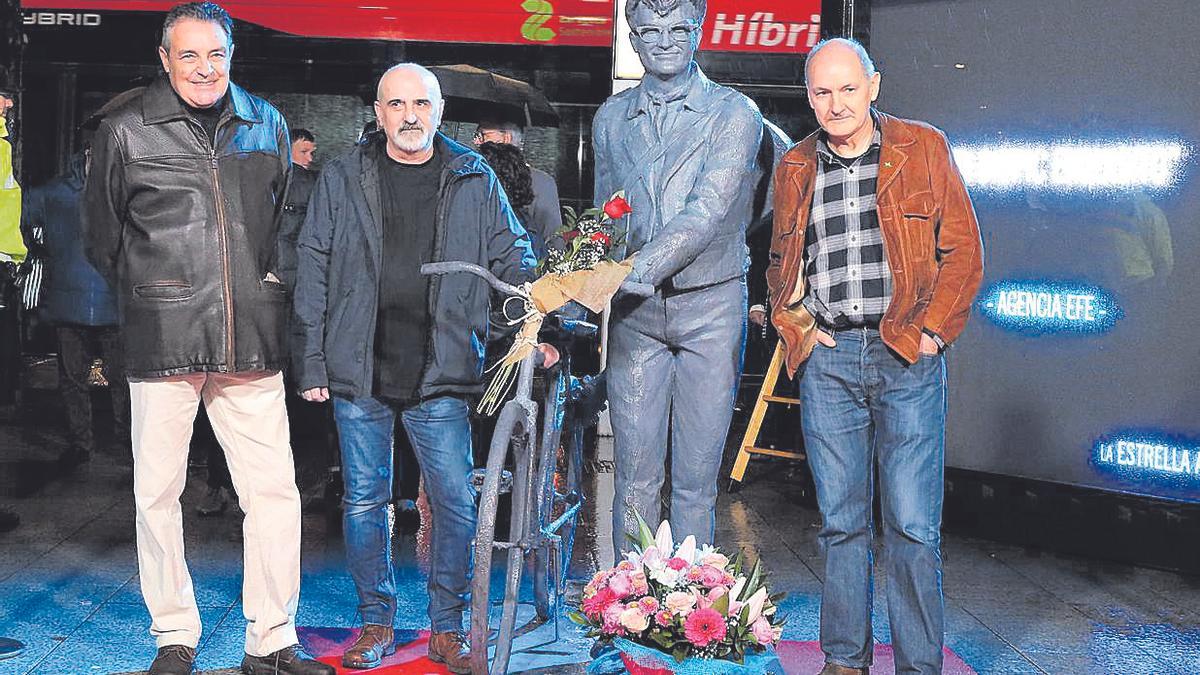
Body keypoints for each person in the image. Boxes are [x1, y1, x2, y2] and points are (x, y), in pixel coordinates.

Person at [82, 3, 332, 674]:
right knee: (156, 495)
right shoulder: (125, 129)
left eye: (214, 53)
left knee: (275, 492)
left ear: (231, 55)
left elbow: (286, 226)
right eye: (187, 54)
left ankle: (271, 639)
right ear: (164, 59)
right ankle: (173, 632)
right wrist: (151, 295)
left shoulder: (267, 123)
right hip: (162, 335)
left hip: (252, 334)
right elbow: (101, 239)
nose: (203, 67)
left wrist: (269, 286)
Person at [292, 63, 545, 672]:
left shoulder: (473, 173)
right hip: (360, 366)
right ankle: (376, 621)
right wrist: (312, 359)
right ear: (378, 114)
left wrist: (540, 315)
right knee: (363, 501)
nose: (409, 116)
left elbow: (512, 256)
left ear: (438, 111)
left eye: (421, 104)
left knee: (456, 502)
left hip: (443, 367)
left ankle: (447, 626)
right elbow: (314, 264)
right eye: (396, 104)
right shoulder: (344, 174)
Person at [766, 38, 984, 675]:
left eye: (847, 90)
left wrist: (933, 336)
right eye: (821, 92)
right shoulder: (795, 165)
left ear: (874, 87)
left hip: (905, 357)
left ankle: (918, 665)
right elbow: (781, 261)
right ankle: (843, 660)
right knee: (841, 526)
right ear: (809, 96)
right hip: (829, 361)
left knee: (913, 528)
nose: (835, 105)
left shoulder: (924, 148)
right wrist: (796, 327)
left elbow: (963, 254)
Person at [592, 0, 763, 554]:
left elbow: (708, 210)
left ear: (698, 30)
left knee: (694, 482)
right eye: (649, 30)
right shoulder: (611, 119)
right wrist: (580, 274)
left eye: (677, 28)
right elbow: (604, 217)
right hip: (635, 319)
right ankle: (622, 610)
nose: (664, 41)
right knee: (635, 478)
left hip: (710, 309)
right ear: (633, 39)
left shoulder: (734, 113)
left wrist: (625, 275)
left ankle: (689, 616)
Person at [24, 149, 130, 467]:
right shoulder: (124, 193)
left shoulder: (54, 192)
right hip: (115, 300)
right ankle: (127, 442)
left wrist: (40, 250)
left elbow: (20, 220)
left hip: (66, 298)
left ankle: (81, 442)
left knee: (73, 378)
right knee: (122, 378)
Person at [473, 118, 561, 248]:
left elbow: (554, 239)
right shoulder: (472, 177)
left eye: (482, 135)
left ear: (506, 138)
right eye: (476, 135)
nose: (475, 141)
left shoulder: (541, 183)